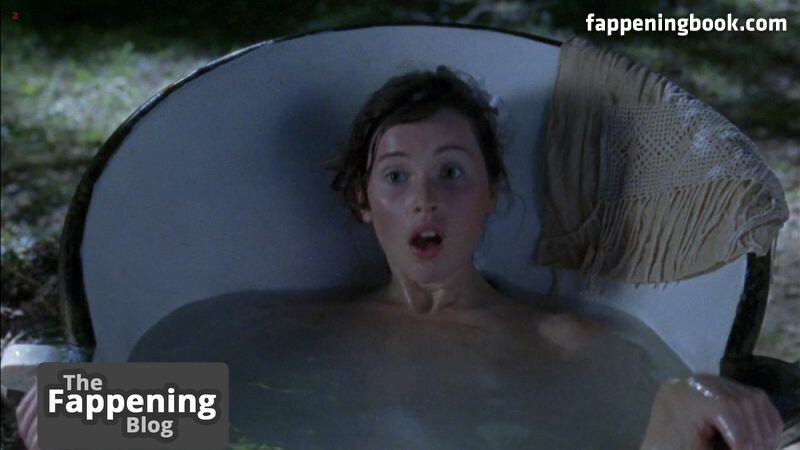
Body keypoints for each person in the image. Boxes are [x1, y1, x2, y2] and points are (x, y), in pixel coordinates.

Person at [16, 66, 783, 450]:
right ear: (363, 200)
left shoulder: (568, 342)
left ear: (491, 194)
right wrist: (88, 409)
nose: (425, 200)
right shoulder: (297, 331)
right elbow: (234, 417)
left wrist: (686, 401)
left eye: (452, 172)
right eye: (395, 177)